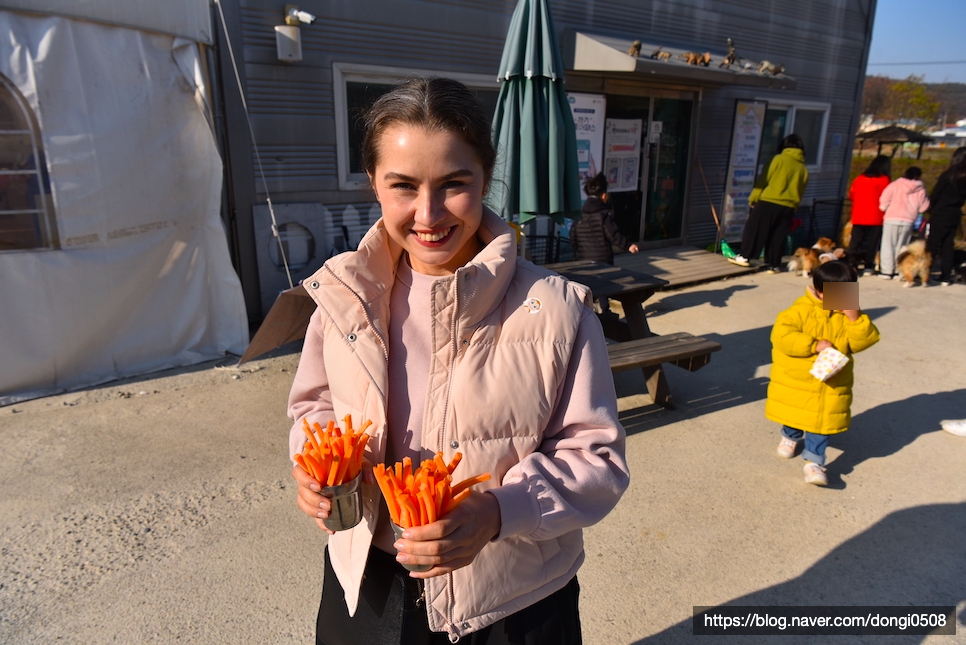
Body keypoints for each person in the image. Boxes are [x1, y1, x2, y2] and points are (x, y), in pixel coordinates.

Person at [286, 77, 630, 645]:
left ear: (486, 179)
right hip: (366, 582)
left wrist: (499, 513)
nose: (428, 213)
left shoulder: (558, 309)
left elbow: (596, 459)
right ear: (373, 182)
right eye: (402, 185)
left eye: (453, 184)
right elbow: (315, 409)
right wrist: (315, 470)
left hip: (513, 600)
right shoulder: (343, 295)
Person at [767, 261, 880, 485]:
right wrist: (812, 345)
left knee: (821, 423)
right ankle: (790, 436)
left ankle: (814, 463)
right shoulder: (800, 310)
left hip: (831, 383)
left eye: (848, 291)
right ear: (819, 291)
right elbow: (781, 336)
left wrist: (855, 319)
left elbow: (862, 343)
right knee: (796, 413)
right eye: (839, 292)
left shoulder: (849, 314)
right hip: (800, 379)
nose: (844, 298)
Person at [729, 134, 809, 272]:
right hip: (789, 205)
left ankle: (745, 256)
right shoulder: (803, 168)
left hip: (769, 201)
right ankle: (774, 264)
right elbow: (801, 189)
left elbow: (763, 179)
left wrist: (754, 197)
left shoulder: (778, 159)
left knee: (755, 229)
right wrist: (794, 206)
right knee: (778, 235)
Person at [569, 172, 639, 314]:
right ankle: (605, 313)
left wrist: (577, 251)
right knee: (605, 287)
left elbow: (573, 236)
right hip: (603, 259)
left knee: (587, 288)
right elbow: (613, 235)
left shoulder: (580, 215)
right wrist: (628, 245)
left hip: (584, 259)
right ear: (603, 195)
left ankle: (586, 314)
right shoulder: (603, 215)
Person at [878, 166, 930, 280]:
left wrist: (885, 207)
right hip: (908, 220)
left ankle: (886, 271)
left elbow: (884, 200)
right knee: (902, 246)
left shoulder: (895, 185)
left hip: (891, 218)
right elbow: (923, 207)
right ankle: (899, 270)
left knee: (887, 245)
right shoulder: (921, 189)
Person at [926, 146, 966, 286]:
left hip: (941, 213)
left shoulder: (948, 175)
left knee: (932, 244)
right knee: (948, 245)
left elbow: (935, 194)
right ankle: (946, 276)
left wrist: (930, 207)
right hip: (955, 214)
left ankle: (926, 272)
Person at [846, 155, 891, 276]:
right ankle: (868, 265)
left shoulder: (860, 178)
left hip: (859, 214)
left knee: (855, 241)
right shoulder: (884, 180)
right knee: (872, 242)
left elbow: (851, 195)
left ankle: (852, 263)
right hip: (876, 216)